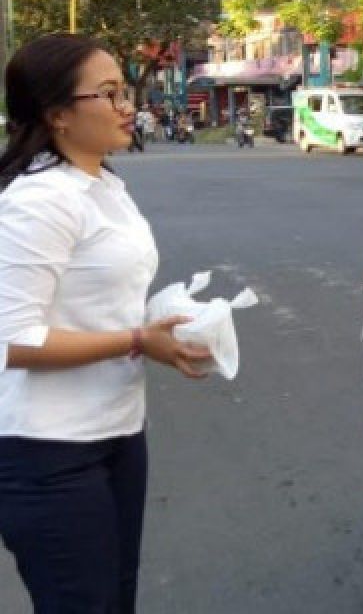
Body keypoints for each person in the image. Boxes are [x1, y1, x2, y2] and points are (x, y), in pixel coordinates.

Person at [0, 34, 212, 613]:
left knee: (116, 598)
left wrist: (165, 321)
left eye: (125, 90)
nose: (128, 106)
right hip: (47, 449)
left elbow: (104, 297)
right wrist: (138, 340)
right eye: (109, 93)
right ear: (57, 114)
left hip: (116, 432)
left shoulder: (105, 186)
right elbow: (14, 340)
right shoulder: (38, 200)